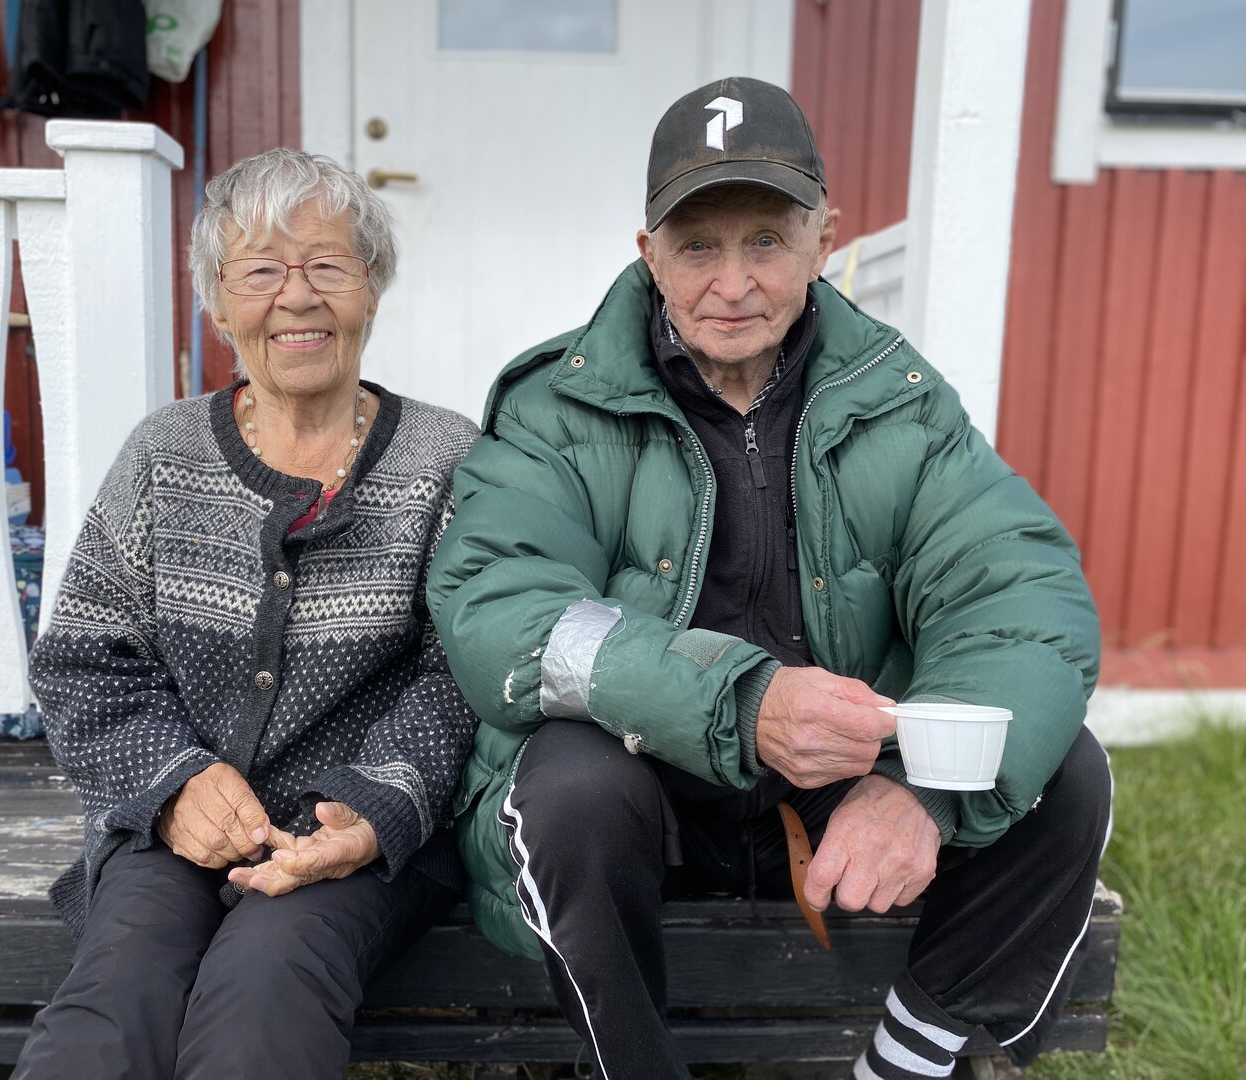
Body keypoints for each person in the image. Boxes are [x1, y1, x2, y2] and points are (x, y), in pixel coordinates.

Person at [426, 77, 1112, 1080]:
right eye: (698, 246)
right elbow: (501, 611)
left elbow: (1022, 602)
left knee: (1063, 769)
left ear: (823, 240)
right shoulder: (556, 407)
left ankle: (910, 1062)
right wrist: (739, 705)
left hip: (839, 785)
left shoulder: (900, 400)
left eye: (766, 241)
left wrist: (922, 791)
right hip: (651, 795)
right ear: (649, 252)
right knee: (570, 789)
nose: (733, 283)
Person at [12, 148, 480, 1080]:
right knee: (118, 990)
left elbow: (466, 672)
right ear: (218, 305)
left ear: (372, 288)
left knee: (267, 988)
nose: (297, 297)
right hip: (175, 824)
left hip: (359, 837)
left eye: (327, 265)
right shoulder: (164, 453)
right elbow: (84, 658)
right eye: (260, 271)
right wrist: (174, 783)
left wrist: (377, 806)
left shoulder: (446, 459)